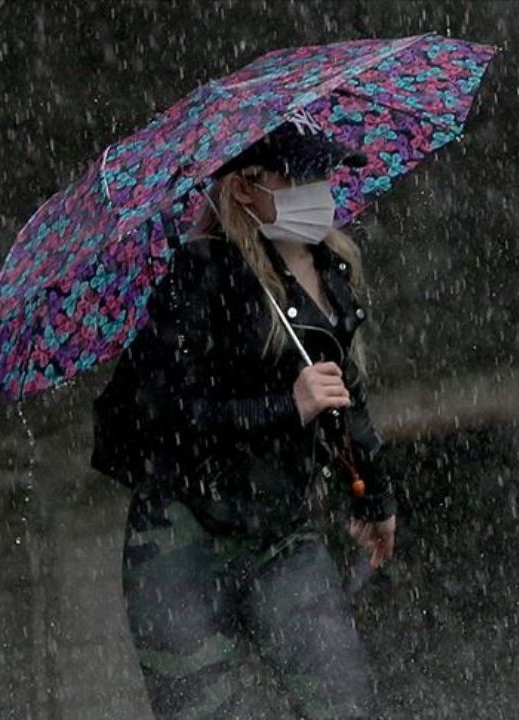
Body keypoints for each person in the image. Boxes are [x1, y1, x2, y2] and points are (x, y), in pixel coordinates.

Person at [91, 109, 397, 719]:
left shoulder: (332, 273)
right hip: (182, 535)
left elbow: (345, 395)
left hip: (280, 530)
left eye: (326, 175)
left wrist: (376, 498)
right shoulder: (198, 276)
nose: (320, 193)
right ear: (243, 188)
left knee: (346, 703)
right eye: (299, 179)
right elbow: (166, 413)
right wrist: (287, 406)